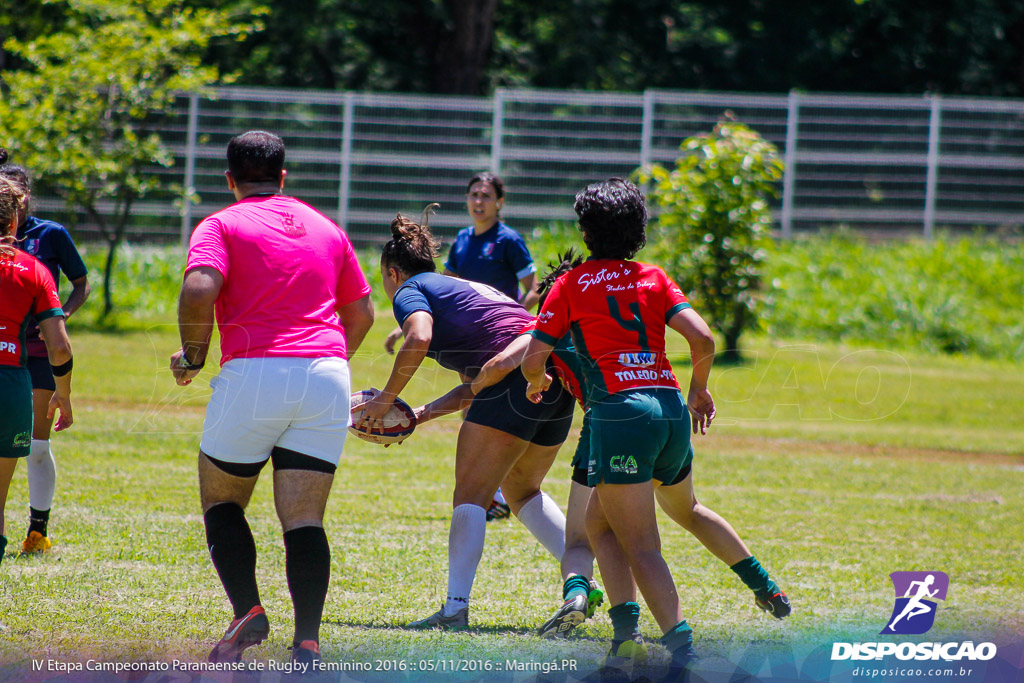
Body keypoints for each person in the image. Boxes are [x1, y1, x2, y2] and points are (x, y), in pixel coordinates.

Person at [522, 179, 790, 676]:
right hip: (669, 408)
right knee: (609, 522)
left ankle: (682, 649)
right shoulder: (653, 277)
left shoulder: (570, 284)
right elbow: (704, 338)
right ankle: (625, 641)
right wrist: (699, 390)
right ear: (639, 230)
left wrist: (536, 381)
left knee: (640, 544)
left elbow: (534, 355)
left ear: (585, 231)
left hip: (619, 416)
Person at [171, 131, 374, 665]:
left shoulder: (221, 223)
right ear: (283, 176)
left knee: (222, 499)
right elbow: (362, 314)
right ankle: (306, 642)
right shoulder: (326, 227)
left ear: (230, 178)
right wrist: (325, 366)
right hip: (328, 374)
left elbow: (198, 289)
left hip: (255, 373)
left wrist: (193, 357)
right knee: (304, 517)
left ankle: (248, 611)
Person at [354, 208, 573, 630]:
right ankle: (581, 577)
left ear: (393, 273)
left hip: (514, 376)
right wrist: (419, 413)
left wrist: (386, 398)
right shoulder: (458, 289)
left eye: (384, 280)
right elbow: (473, 387)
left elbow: (418, 336)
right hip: (554, 376)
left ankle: (455, 609)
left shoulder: (410, 290)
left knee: (471, 495)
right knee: (523, 491)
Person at [383, 173, 540, 522]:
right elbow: (441, 291)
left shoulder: (508, 239)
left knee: (484, 410)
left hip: (502, 340)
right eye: (473, 194)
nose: (479, 201)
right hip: (477, 339)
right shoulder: (465, 240)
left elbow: (534, 286)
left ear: (499, 202)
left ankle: (489, 492)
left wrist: (520, 329)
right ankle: (494, 492)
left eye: (486, 195)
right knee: (477, 401)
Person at [0, 151, 90, 554]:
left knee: (37, 443)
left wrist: (61, 314)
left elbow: (80, 282)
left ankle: (38, 528)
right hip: (13, 360)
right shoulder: (24, 265)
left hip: (33, 354)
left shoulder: (49, 235)